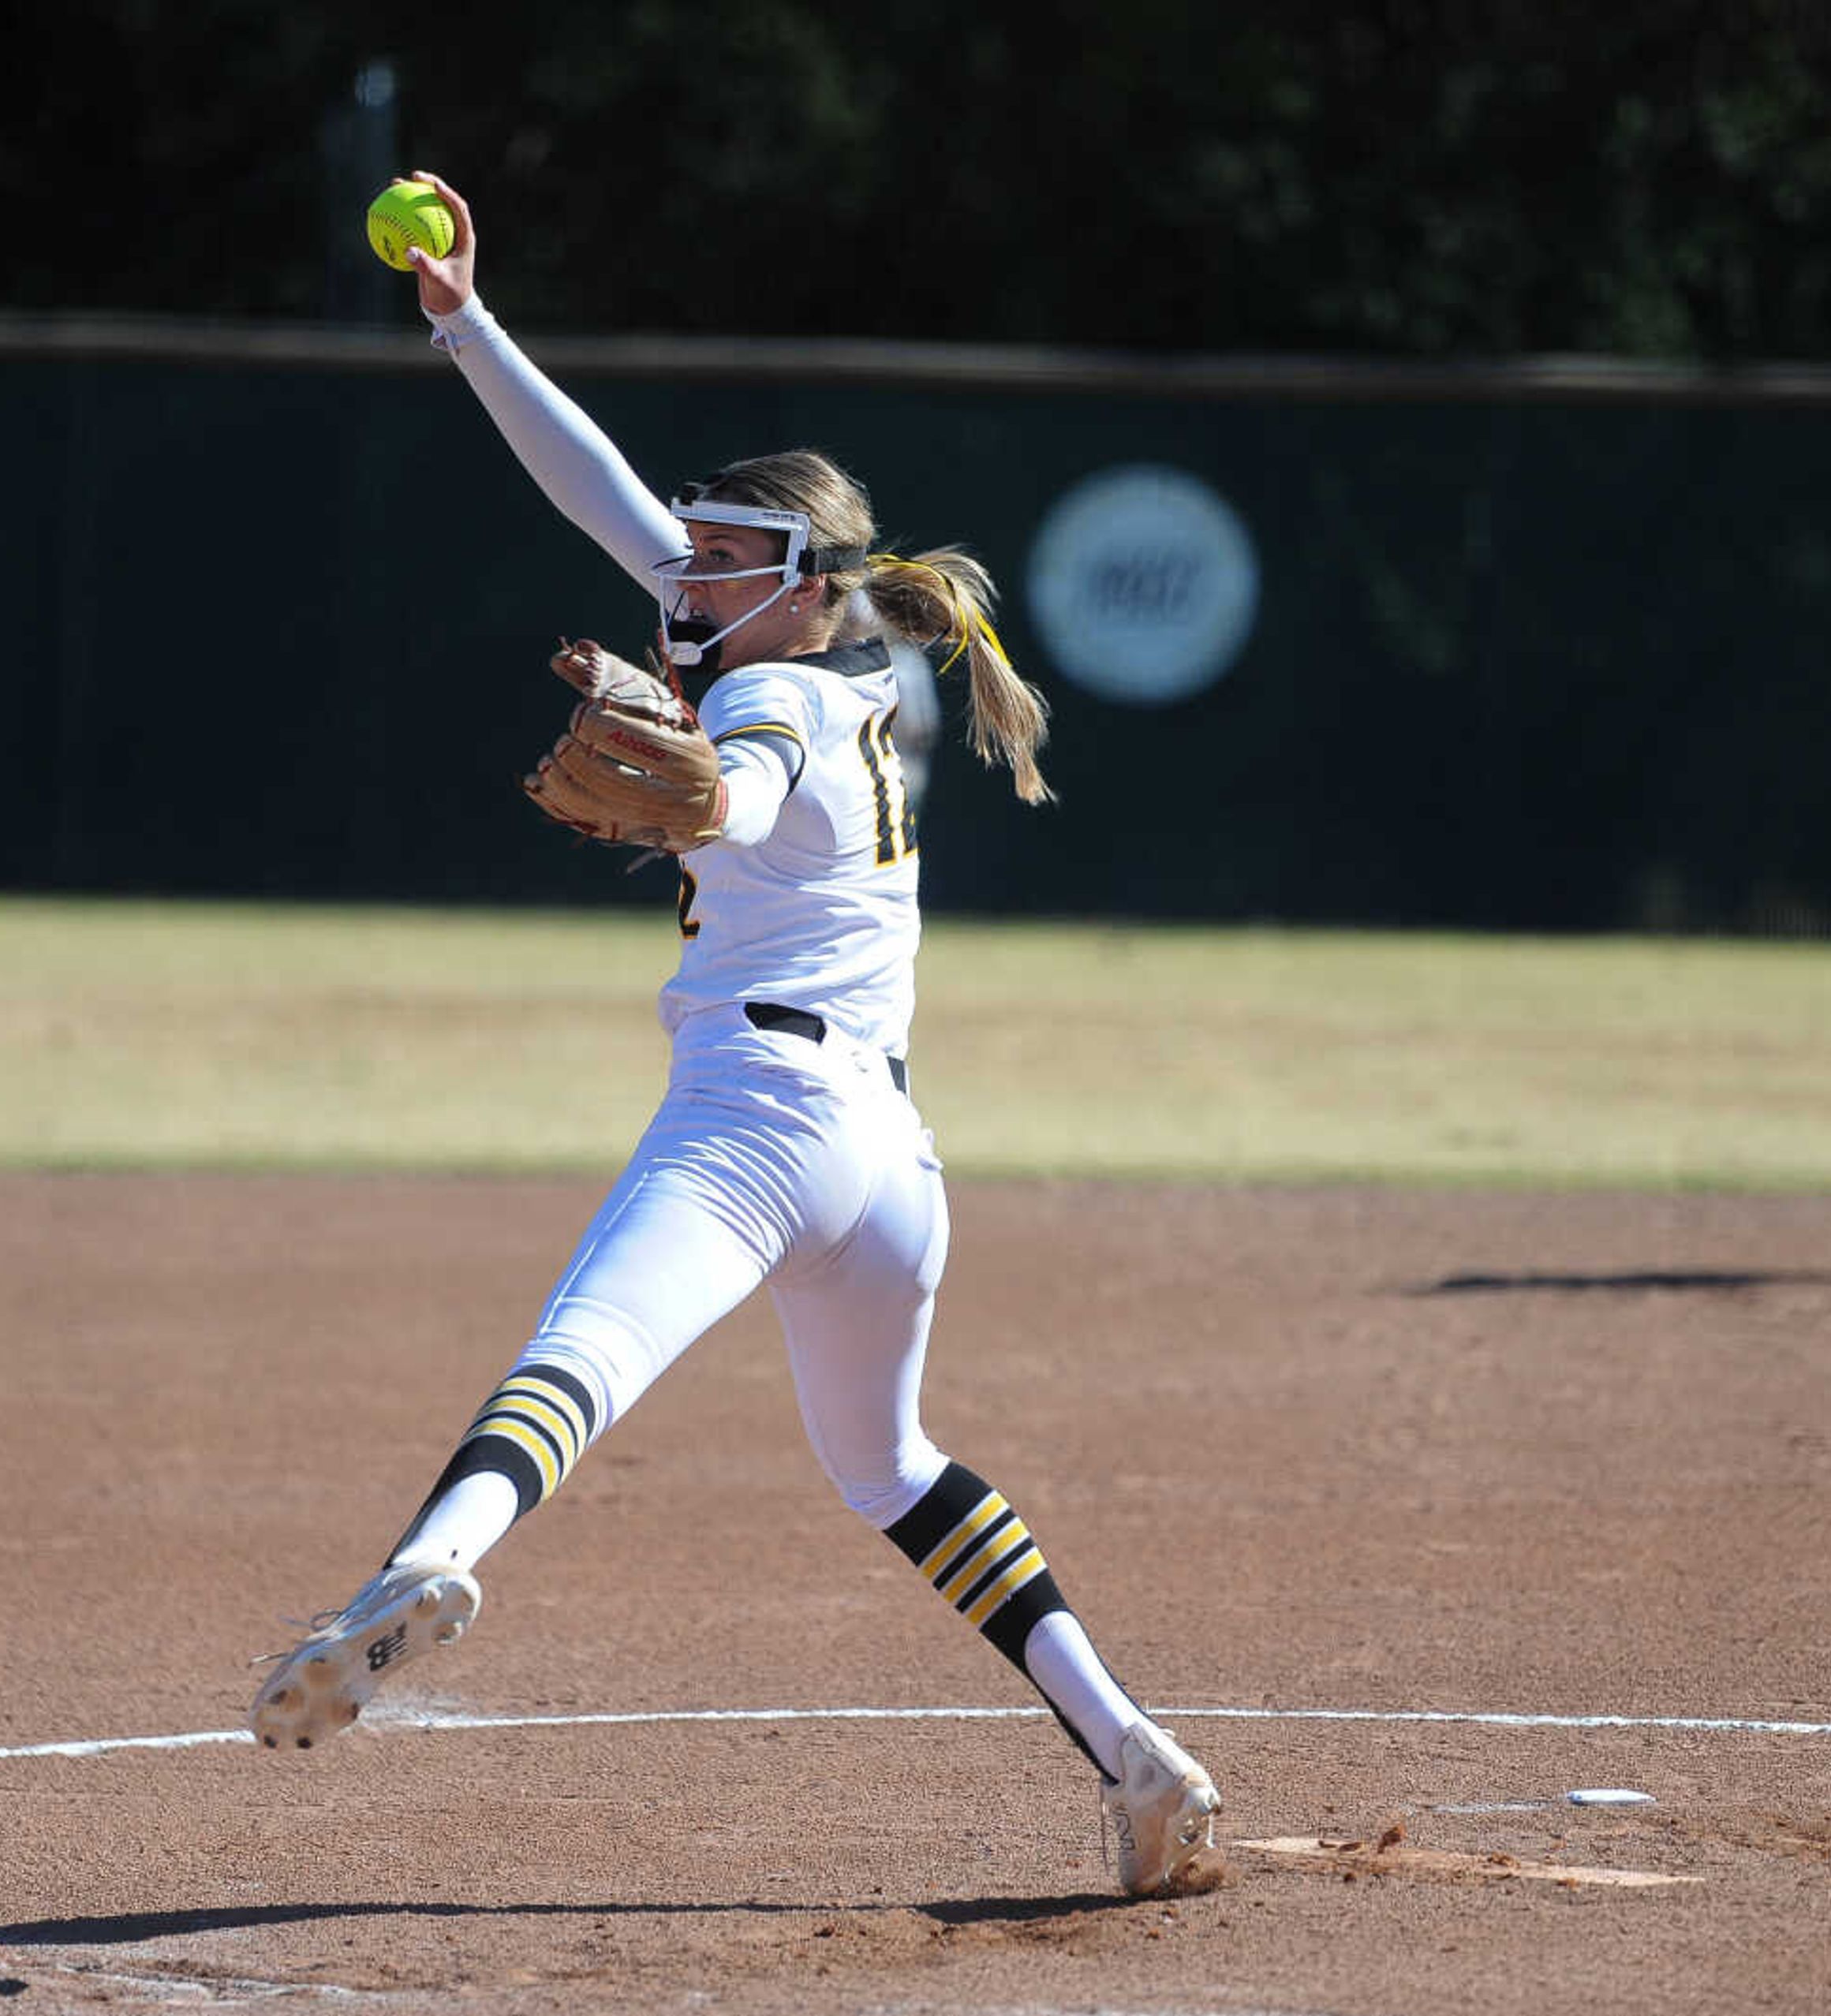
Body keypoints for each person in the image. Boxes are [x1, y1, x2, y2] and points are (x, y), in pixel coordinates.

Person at [248, 170, 1226, 1898]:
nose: (685, 575)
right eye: (694, 554)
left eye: (725, 560)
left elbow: (743, 766)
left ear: (811, 585)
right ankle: (1135, 1755)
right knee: (894, 1472)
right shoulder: (815, 660)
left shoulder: (770, 690)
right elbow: (600, 490)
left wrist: (703, 790)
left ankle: (416, 1573)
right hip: (891, 1168)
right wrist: (465, 322)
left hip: (759, 1120)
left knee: (579, 1356)